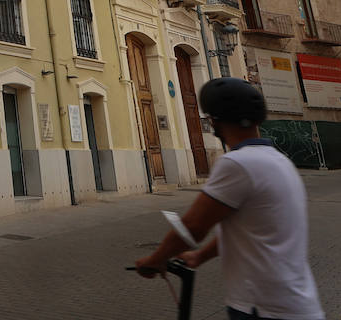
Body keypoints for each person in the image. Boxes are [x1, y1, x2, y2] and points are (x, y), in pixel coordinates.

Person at [135, 77, 324, 320]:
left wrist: (155, 259)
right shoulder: (280, 161)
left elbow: (193, 227)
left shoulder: (237, 163)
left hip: (262, 307)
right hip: (297, 303)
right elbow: (246, 230)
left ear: (214, 121)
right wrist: (199, 256)